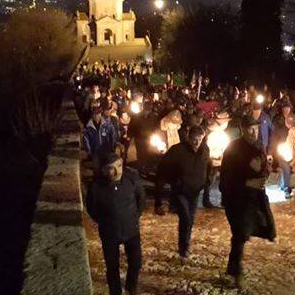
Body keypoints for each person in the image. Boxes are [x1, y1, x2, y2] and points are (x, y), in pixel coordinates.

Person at [220, 115, 276, 290]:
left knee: (242, 234)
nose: (253, 132)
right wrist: (245, 182)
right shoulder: (233, 148)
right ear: (243, 130)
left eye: (256, 128)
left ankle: (233, 269)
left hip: (253, 198)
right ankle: (237, 273)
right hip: (236, 197)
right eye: (250, 128)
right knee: (240, 234)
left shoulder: (259, 146)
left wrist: (264, 169)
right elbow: (226, 175)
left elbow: (264, 171)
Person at [86, 154, 146, 295]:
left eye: (119, 166)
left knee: (136, 262)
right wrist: (105, 222)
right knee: (112, 266)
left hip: (131, 231)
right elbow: (92, 208)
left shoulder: (131, 179)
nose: (117, 171)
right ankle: (115, 291)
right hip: (110, 233)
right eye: (111, 168)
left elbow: (141, 199)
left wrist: (134, 217)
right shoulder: (96, 187)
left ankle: (131, 287)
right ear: (103, 170)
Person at [155, 125, 209, 261]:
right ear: (188, 138)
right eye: (194, 139)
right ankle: (183, 248)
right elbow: (162, 171)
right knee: (186, 218)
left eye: (199, 139)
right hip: (181, 191)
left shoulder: (205, 150)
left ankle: (185, 244)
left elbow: (207, 166)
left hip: (195, 191)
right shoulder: (177, 151)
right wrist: (159, 199)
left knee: (190, 219)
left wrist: (206, 181)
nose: (196, 143)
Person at [271, 100, 295, 198]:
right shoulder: (279, 126)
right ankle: (286, 189)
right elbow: (273, 139)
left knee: (288, 170)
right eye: (284, 108)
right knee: (286, 169)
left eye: (288, 108)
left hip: (292, 152)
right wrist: (270, 152)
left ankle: (282, 184)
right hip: (282, 151)